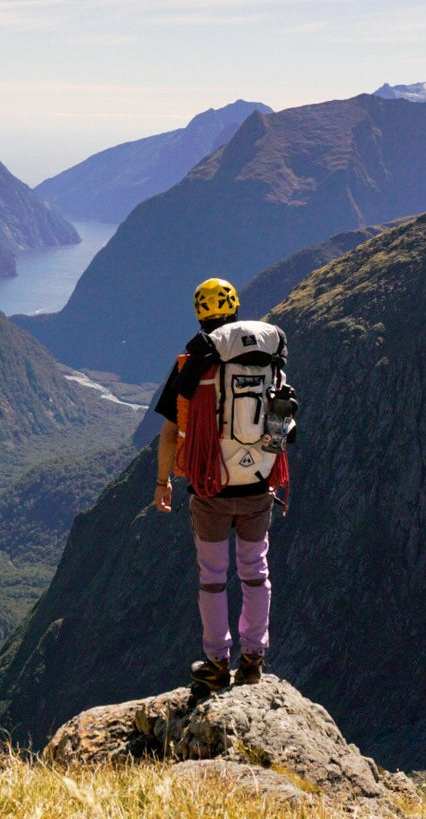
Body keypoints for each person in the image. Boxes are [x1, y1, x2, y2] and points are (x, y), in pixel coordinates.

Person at [153, 277, 288, 690]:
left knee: (213, 576)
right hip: (258, 486)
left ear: (200, 313)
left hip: (211, 490)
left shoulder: (195, 361)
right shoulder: (266, 358)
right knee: (255, 572)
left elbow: (171, 432)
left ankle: (215, 662)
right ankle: (252, 659)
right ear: (234, 308)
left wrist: (163, 482)